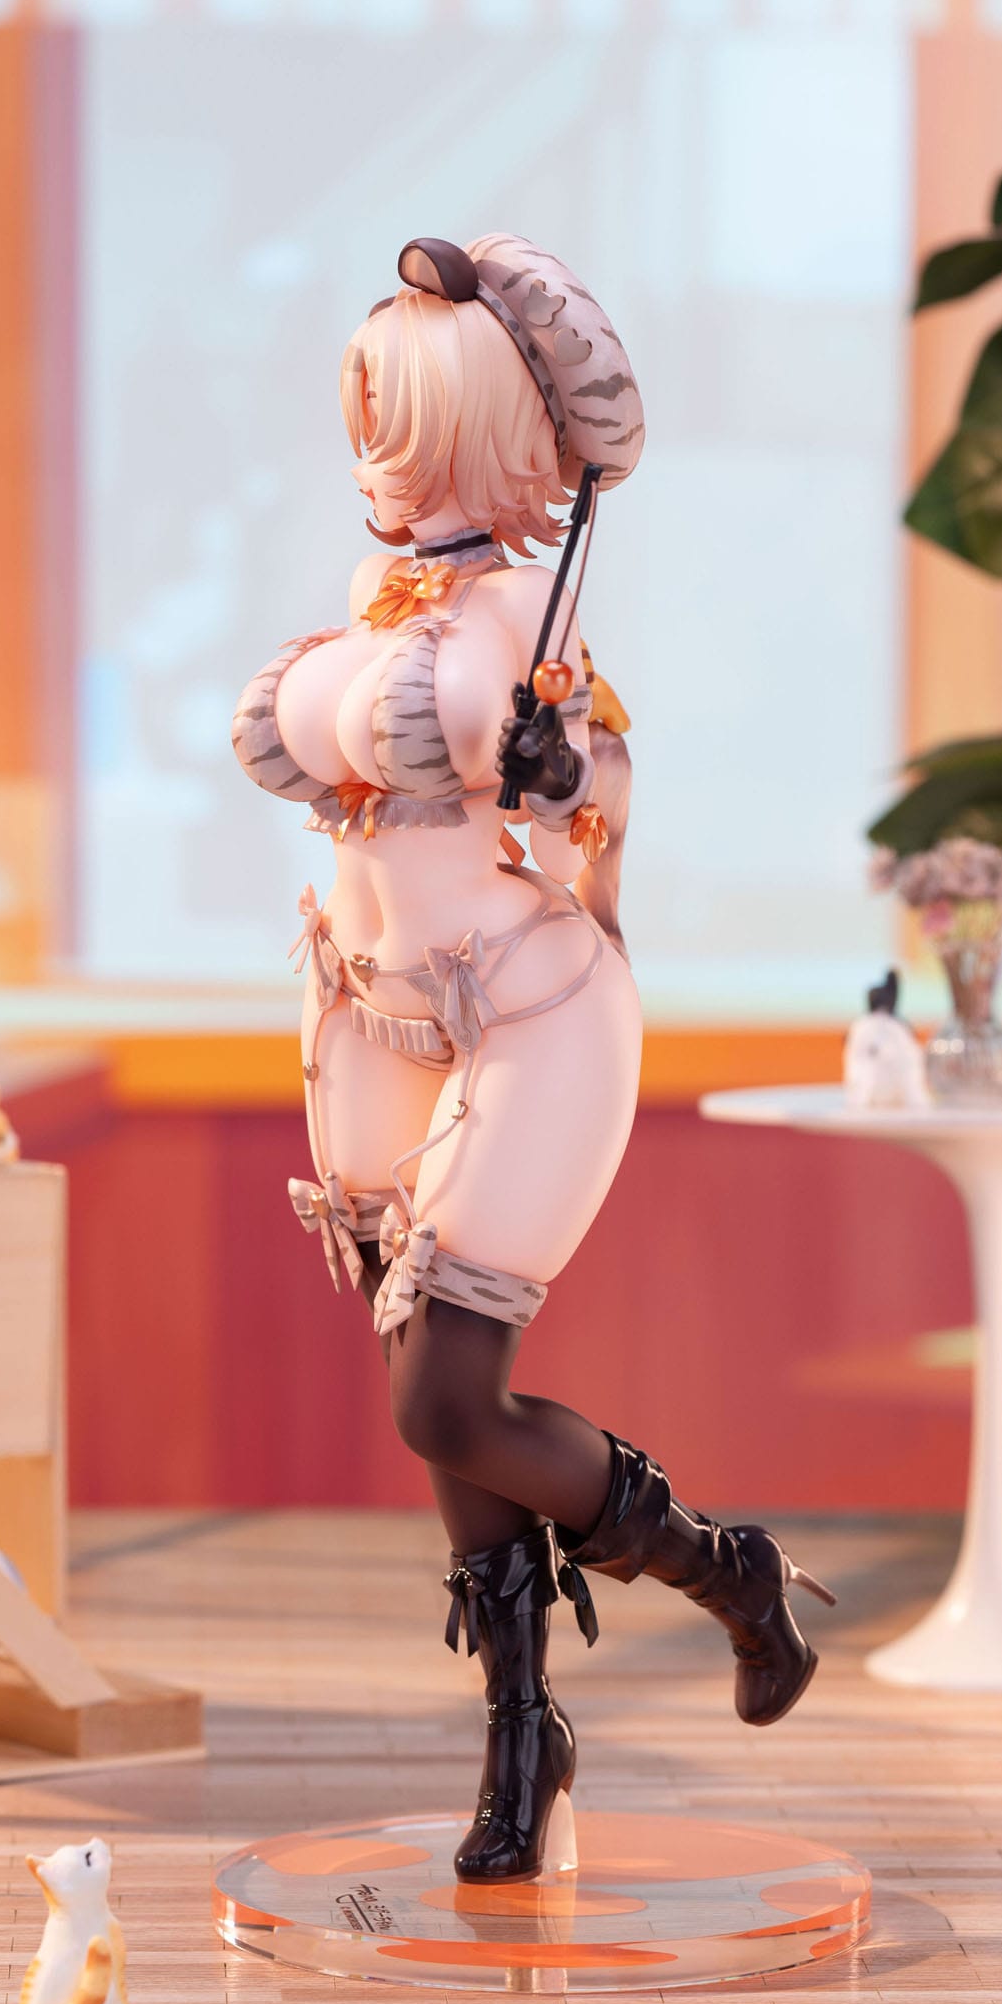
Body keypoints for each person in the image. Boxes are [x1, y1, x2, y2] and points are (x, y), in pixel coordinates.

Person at [234, 234, 829, 1885]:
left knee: (443, 1390)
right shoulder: (390, 601)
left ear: (484, 434)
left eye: (404, 419)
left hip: (528, 1013)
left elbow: (596, 799)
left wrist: (565, 774)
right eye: (366, 415)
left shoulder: (513, 615)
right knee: (438, 1402)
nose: (376, 451)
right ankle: (524, 1733)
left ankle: (720, 1568)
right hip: (373, 1013)